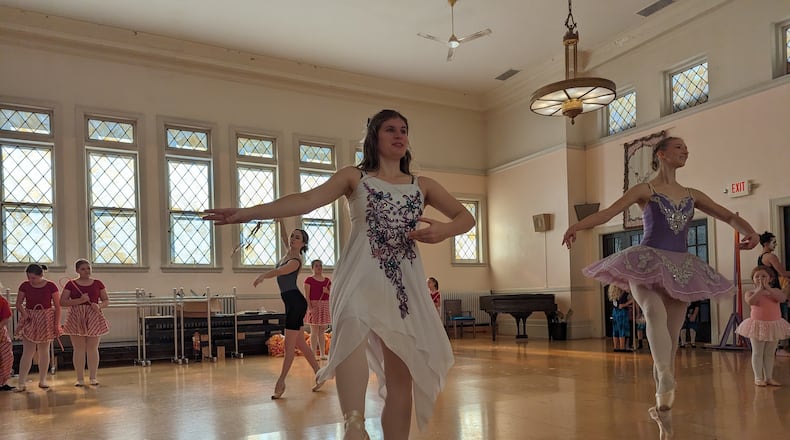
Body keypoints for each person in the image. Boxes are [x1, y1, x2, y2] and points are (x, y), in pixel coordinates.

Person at [205, 109, 474, 439]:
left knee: (400, 374)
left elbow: (465, 217)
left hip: (403, 284)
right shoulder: (355, 178)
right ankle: (354, 423)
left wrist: (445, 231)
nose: (399, 134)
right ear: (374, 137)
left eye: (403, 129)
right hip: (360, 273)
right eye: (390, 129)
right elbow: (305, 201)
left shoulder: (423, 185)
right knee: (349, 331)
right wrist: (246, 213)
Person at [562, 136, 759, 440]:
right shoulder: (646, 189)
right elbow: (610, 213)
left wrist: (750, 232)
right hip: (647, 260)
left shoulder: (693, 194)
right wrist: (576, 225)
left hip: (681, 267)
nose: (685, 151)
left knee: (669, 334)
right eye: (679, 147)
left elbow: (727, 214)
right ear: (661, 154)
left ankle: (662, 397)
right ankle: (665, 380)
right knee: (654, 313)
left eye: (687, 148)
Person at [252, 223, 322, 399]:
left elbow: (279, 271)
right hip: (291, 303)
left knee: (288, 346)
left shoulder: (295, 260)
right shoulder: (288, 252)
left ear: (303, 244)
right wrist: (280, 219)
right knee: (300, 343)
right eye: (293, 236)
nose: (292, 239)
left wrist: (262, 276)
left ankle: (281, 382)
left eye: (297, 237)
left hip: (296, 303)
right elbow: (283, 236)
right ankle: (320, 373)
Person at [735, 265, 790, 386]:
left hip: (773, 325)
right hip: (757, 325)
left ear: (771, 278)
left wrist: (768, 289)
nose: (760, 278)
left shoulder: (775, 291)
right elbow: (751, 302)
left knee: (770, 353)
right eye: (757, 276)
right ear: (753, 279)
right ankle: (758, 377)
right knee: (757, 352)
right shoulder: (750, 292)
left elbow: (782, 298)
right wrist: (760, 290)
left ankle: (769, 377)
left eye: (764, 276)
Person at [60, 259, 110, 386]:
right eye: (83, 268)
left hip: (93, 316)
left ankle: (93, 377)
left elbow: (106, 300)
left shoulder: (98, 283)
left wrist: (99, 306)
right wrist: (80, 300)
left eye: (88, 268)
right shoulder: (71, 284)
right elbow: (63, 302)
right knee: (79, 348)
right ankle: (80, 378)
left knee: (93, 348)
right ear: (77, 270)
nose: (86, 271)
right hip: (76, 316)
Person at [14, 264, 62, 391]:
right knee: (28, 351)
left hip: (46, 318)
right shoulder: (24, 285)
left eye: (34, 278)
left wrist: (56, 324)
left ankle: (42, 380)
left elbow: (57, 306)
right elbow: (18, 303)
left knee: (44, 351)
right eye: (29, 278)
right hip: (30, 317)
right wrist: (25, 314)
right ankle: (21, 382)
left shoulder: (51, 286)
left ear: (41, 275)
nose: (31, 280)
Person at [756, 231, 790, 356]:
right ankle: (780, 347)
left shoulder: (760, 257)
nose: (776, 245)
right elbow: (784, 273)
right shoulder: (770, 257)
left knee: (772, 318)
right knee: (779, 317)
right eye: (773, 242)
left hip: (765, 292)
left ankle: (776, 347)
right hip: (773, 291)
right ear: (766, 243)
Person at [304, 259, 331, 361]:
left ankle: (323, 354)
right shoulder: (308, 280)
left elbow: (332, 295)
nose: (319, 267)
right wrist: (310, 307)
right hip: (314, 305)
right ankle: (313, 354)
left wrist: (327, 291)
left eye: (320, 265)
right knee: (314, 331)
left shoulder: (327, 280)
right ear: (312, 268)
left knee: (322, 331)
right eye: (316, 266)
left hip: (324, 306)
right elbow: (307, 296)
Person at [608, 285, 633, 352]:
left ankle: (616, 348)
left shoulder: (612, 290)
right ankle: (622, 348)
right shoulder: (623, 290)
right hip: (622, 312)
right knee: (622, 329)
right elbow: (633, 299)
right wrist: (625, 304)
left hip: (614, 311)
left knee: (615, 329)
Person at [0, 293, 14, 391]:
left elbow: (6, 318)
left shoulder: (2, 301)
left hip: (0, 331)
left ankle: (3, 381)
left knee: (6, 357)